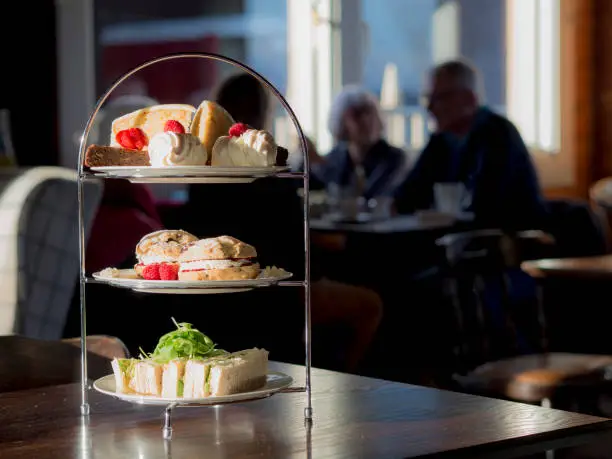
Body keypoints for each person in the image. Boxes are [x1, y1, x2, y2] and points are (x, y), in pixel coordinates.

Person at [183, 73, 383, 373]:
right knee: (371, 305)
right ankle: (348, 382)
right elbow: (292, 231)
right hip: (277, 292)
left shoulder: (201, 167)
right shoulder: (263, 167)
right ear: (263, 111)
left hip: (215, 295)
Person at [394, 59, 547, 231]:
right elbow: (407, 197)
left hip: (506, 243)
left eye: (440, 98)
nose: (430, 108)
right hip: (457, 238)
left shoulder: (498, 134)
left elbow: (490, 207)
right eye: (428, 98)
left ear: (469, 99)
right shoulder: (441, 142)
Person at [311, 85, 408, 200]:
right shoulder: (335, 157)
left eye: (370, 112)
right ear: (341, 121)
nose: (366, 120)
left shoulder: (394, 158)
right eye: (357, 114)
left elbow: (369, 197)